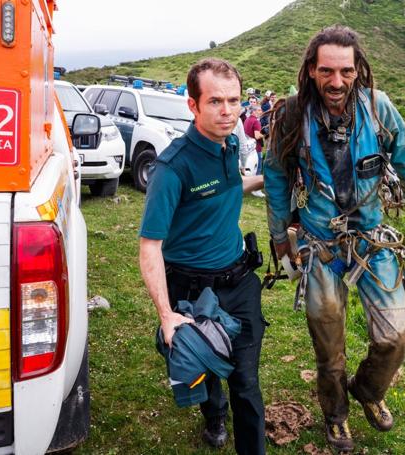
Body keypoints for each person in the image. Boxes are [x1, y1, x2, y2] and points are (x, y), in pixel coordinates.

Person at [264, 25, 405, 452]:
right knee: (328, 341)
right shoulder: (291, 114)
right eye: (326, 71)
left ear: (358, 70)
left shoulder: (378, 109)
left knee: (396, 334)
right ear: (311, 70)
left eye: (345, 71)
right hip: (319, 244)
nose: (336, 82)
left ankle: (369, 391)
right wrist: (280, 234)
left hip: (373, 242)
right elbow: (278, 174)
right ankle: (336, 414)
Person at [139, 57, 266, 455]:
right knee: (208, 367)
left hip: (240, 283)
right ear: (193, 105)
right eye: (215, 102)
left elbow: (229, 189)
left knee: (246, 382)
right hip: (190, 290)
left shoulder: (231, 144)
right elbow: (149, 248)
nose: (227, 111)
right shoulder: (172, 168)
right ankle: (213, 416)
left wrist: (269, 178)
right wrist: (166, 316)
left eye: (234, 101)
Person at [244, 104, 267, 197]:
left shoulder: (247, 120)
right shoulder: (256, 122)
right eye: (259, 110)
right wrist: (265, 133)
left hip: (248, 146)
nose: (261, 112)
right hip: (256, 147)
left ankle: (248, 187)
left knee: (249, 169)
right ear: (254, 111)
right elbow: (257, 136)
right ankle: (256, 189)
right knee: (258, 169)